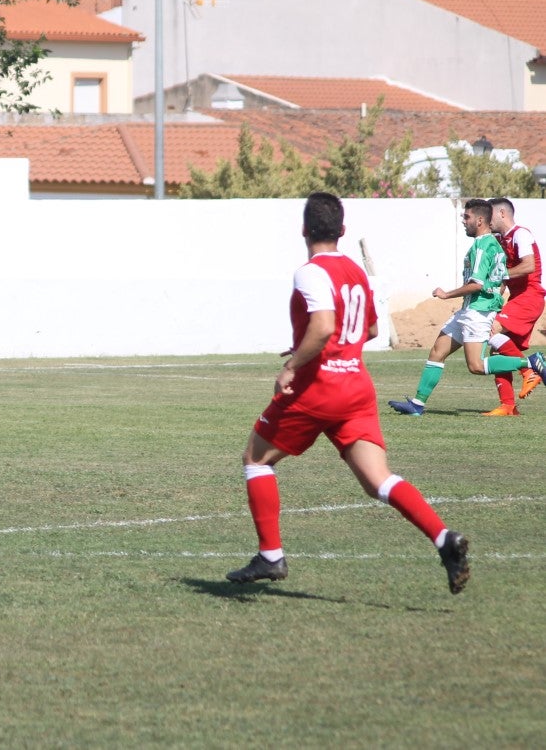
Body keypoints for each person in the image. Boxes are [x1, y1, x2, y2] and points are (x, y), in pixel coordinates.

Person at [227, 192, 470, 594]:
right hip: (356, 386)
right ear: (342, 230)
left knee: (256, 458)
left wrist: (292, 364)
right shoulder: (356, 272)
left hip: (318, 386)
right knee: (378, 480)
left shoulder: (310, 271)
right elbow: (370, 331)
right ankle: (444, 539)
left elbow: (322, 327)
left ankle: (270, 555)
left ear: (304, 229)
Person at [388, 199, 546, 416]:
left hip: (479, 312)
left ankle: (529, 363)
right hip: (470, 309)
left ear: (480, 220)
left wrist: (447, 294)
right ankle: (417, 404)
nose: (463, 221)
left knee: (477, 366)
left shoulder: (486, 245)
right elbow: (497, 280)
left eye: (467, 217)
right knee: (437, 351)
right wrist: (496, 296)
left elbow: (478, 284)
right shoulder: (493, 243)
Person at [483, 197, 546, 415]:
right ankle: (508, 406)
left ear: (501, 214)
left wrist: (501, 275)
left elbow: (528, 266)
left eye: (488, 214)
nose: (486, 220)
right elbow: (502, 279)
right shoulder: (501, 240)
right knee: (498, 348)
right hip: (517, 298)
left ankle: (530, 368)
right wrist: (494, 300)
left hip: (529, 296)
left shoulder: (521, 234)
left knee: (491, 332)